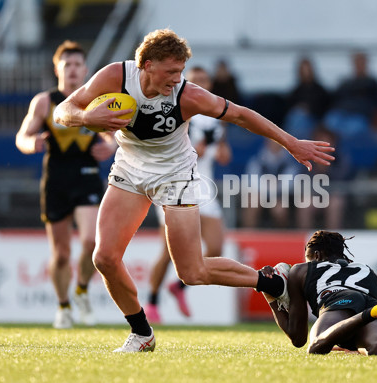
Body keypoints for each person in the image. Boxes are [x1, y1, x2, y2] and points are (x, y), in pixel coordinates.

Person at [53, 28, 335, 352]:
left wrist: (291, 143)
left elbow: (242, 115)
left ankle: (273, 282)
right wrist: (86, 115)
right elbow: (64, 110)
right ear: (146, 65)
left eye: (181, 71)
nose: (178, 78)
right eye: (171, 71)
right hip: (130, 170)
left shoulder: (188, 95)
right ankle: (142, 334)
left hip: (176, 176)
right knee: (104, 258)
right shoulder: (116, 77)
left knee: (192, 271)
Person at [15, 40, 118, 328]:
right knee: (61, 254)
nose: (72, 70)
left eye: (77, 65)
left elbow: (115, 133)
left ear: (85, 69)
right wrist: (29, 143)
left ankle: (82, 290)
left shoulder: (96, 99)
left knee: (91, 241)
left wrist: (110, 146)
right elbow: (22, 136)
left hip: (86, 173)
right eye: (67, 65)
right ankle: (63, 307)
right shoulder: (45, 102)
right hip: (56, 180)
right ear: (57, 68)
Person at [145, 66, 232, 323]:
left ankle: (179, 287)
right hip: (174, 185)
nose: (201, 84)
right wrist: (194, 151)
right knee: (168, 251)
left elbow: (221, 153)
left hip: (203, 188)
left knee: (216, 246)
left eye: (204, 80)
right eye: (195, 81)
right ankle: (151, 301)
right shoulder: (176, 112)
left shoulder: (214, 118)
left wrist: (222, 151)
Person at [241, 138, 302, 228]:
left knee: (280, 209)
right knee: (252, 201)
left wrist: (269, 186)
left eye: (278, 143)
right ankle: (248, 236)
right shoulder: (257, 161)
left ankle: (283, 238)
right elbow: (252, 183)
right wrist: (273, 185)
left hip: (281, 197)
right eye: (273, 142)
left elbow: (289, 184)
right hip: (260, 195)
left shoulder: (289, 162)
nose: (275, 145)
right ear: (267, 143)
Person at [325, 51, 377, 138]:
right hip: (340, 114)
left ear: (366, 64)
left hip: (358, 116)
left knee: (350, 131)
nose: (359, 65)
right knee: (330, 122)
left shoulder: (372, 82)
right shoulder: (345, 82)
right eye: (357, 62)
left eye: (361, 62)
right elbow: (335, 98)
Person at [283, 57, 330, 139]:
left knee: (298, 117)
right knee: (297, 115)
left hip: (315, 120)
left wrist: (309, 109)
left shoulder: (320, 90)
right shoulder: (296, 91)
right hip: (299, 121)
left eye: (307, 69)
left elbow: (325, 108)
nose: (306, 72)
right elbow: (288, 109)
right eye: (303, 70)